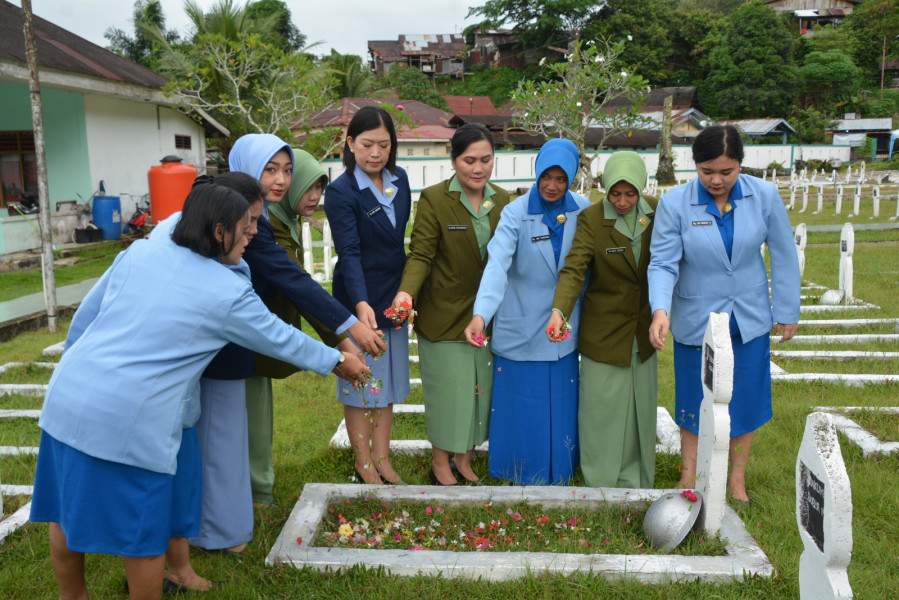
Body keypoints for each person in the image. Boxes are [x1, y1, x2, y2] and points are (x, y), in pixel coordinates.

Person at [29, 180, 369, 600]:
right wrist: (338, 360)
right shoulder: (223, 291)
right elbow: (280, 337)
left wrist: (80, 373)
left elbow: (86, 318)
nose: (254, 235)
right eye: (246, 227)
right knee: (142, 536)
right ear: (219, 231)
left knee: (63, 512)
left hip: (69, 396)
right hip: (128, 420)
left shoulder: (145, 249)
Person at [230, 134, 387, 505]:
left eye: (288, 171)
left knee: (250, 421)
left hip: (250, 341)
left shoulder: (265, 219)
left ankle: (253, 496)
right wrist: (347, 332)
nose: (282, 181)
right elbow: (295, 285)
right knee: (232, 429)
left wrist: (342, 340)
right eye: (271, 170)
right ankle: (248, 501)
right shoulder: (259, 227)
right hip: (236, 341)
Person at [647, 125, 800, 505]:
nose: (716, 180)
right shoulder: (675, 203)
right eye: (706, 171)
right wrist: (660, 310)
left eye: (726, 171)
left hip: (747, 317)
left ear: (740, 166)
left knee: (746, 399)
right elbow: (663, 263)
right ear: (695, 166)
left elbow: (782, 253)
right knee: (692, 398)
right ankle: (689, 472)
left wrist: (786, 309)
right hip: (696, 317)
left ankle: (736, 480)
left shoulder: (763, 196)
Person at [463, 138, 590, 485]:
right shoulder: (516, 212)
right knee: (522, 404)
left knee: (561, 403)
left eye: (561, 178)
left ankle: (560, 469)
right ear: (536, 173)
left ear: (572, 178)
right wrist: (480, 315)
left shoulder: (583, 208)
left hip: (563, 327)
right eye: (546, 177)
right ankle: (517, 470)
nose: (552, 186)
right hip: (521, 324)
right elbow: (497, 267)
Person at [393, 123, 510, 486]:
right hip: (443, 315)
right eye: (469, 160)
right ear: (453, 159)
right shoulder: (434, 198)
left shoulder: (504, 200)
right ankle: (440, 462)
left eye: (486, 160)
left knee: (479, 390)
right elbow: (422, 255)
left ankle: (465, 458)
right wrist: (406, 292)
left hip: (487, 316)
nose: (479, 169)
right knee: (450, 392)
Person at [547, 151, 659, 488]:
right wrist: (559, 310)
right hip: (604, 330)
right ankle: (600, 480)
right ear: (604, 188)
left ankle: (637, 478)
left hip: (643, 330)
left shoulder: (657, 212)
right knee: (601, 409)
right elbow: (574, 268)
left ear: (642, 188)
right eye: (615, 193)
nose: (622, 201)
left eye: (630, 193)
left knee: (640, 407)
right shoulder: (592, 219)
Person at [324, 106, 411, 485]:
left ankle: (383, 458)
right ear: (350, 144)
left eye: (384, 145)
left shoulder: (400, 179)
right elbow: (351, 253)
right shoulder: (341, 191)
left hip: (393, 300)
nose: (376, 153)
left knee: (387, 380)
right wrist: (360, 307)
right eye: (367, 145)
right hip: (357, 299)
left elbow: (396, 241)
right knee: (360, 382)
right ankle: (363, 464)